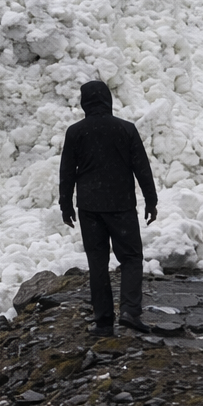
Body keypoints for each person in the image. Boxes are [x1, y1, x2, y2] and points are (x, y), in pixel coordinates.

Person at [59, 80, 157, 336]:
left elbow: (67, 172)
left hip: (90, 207)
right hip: (120, 205)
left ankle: (103, 322)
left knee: (98, 263)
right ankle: (129, 312)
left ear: (84, 102)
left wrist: (65, 204)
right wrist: (151, 200)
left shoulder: (75, 132)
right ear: (107, 100)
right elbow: (142, 168)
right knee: (132, 258)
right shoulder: (125, 129)